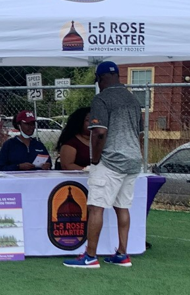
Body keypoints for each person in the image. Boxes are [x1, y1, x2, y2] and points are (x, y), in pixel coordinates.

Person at [63, 61, 143, 269]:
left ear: (100, 79)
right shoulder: (133, 100)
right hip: (133, 159)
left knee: (96, 207)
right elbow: (139, 134)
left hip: (110, 160)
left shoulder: (102, 98)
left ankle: (90, 256)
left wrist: (95, 159)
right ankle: (122, 254)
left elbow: (99, 132)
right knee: (122, 207)